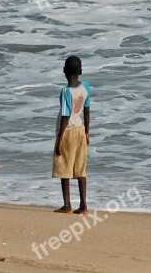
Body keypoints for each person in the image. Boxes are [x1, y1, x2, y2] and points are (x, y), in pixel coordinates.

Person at [52, 56, 91, 214]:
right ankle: (83, 206)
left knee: (64, 168)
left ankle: (67, 205)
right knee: (81, 169)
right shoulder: (86, 87)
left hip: (67, 131)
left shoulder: (65, 92)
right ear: (80, 72)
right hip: (81, 130)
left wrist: (59, 139)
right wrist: (87, 132)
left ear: (64, 72)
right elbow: (87, 111)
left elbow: (66, 116)